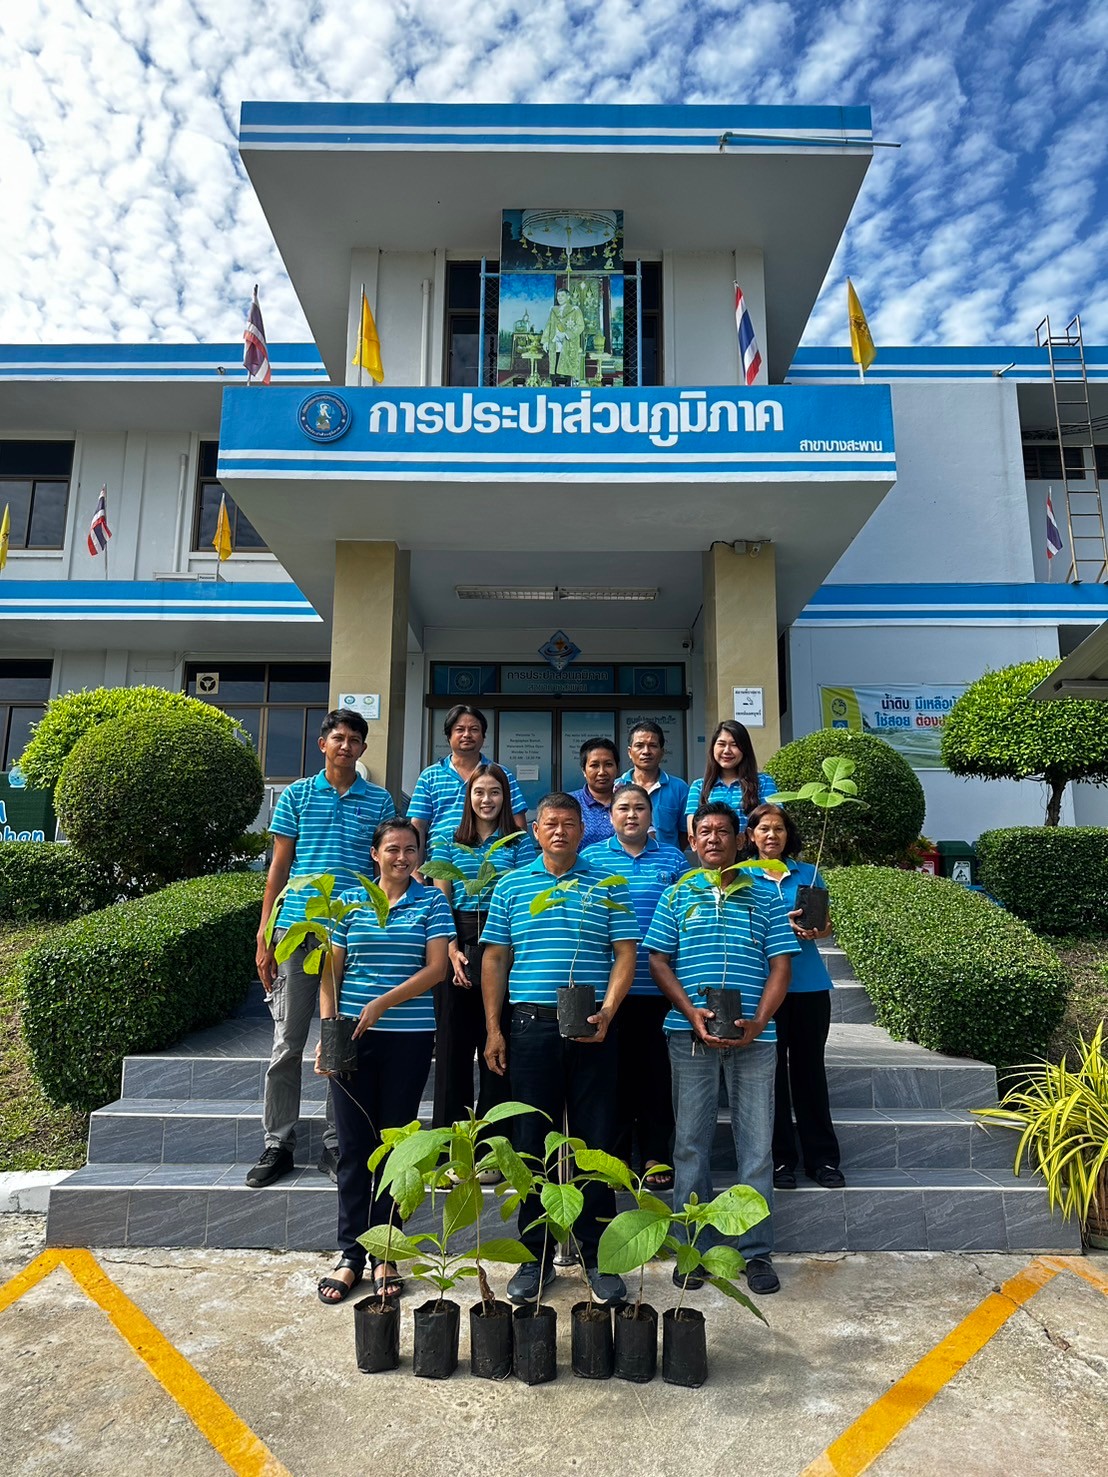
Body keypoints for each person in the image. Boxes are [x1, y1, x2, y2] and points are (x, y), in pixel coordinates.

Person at [481, 792, 639, 1306]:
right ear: (536, 830)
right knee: (531, 1143)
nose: (560, 831)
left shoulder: (606, 884)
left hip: (592, 1025)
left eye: (570, 824)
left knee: (595, 1142)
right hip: (529, 1027)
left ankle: (599, 1256)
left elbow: (624, 955)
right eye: (550, 823)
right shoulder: (512, 884)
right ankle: (535, 1257)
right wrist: (493, 1028)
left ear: (582, 830)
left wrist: (610, 1012)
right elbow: (496, 959)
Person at [645, 801, 799, 1296]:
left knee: (756, 1149)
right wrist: (691, 1011)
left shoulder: (766, 897)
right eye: (703, 832)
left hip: (757, 1040)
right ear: (692, 842)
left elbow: (781, 966)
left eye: (722, 832)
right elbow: (658, 960)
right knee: (690, 1145)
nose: (712, 839)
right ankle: (692, 1247)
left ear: (740, 840)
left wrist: (760, 1021)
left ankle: (755, 1252)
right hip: (687, 1037)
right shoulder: (677, 894)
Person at [248, 709, 393, 1190]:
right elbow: (279, 868)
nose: (347, 746)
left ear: (363, 749)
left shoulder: (379, 800)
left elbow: (383, 870)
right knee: (287, 1043)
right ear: (322, 744)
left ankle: (338, 1144)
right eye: (339, 738)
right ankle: (278, 1143)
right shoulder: (296, 796)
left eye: (355, 740)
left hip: (350, 933)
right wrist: (265, 932)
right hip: (297, 930)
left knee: (342, 1039)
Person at [314, 818, 454, 1304]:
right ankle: (352, 1253)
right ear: (375, 854)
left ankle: (387, 1250)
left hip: (409, 1038)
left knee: (397, 1149)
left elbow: (436, 968)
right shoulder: (349, 901)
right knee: (354, 1148)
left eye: (410, 850)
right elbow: (330, 970)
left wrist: (381, 1004)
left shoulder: (432, 902)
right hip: (351, 1038)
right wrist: (329, 1032)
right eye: (392, 849)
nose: (401, 857)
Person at [582, 784, 686, 1188]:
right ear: (610, 816)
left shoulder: (674, 859)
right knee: (613, 1078)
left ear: (651, 815)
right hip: (610, 993)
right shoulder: (590, 859)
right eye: (622, 808)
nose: (631, 815)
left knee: (657, 1078)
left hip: (659, 991)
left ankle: (657, 1155)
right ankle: (617, 1158)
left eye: (639, 808)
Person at [427, 763, 536, 1140]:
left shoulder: (519, 842)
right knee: (453, 1051)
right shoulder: (446, 839)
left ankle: (495, 1144)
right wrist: (451, 950)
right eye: (479, 792)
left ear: (505, 798)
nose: (486, 800)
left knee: (499, 1045)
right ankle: (450, 1145)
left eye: (494, 792)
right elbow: (440, 897)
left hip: (503, 946)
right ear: (467, 797)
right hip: (457, 943)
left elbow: (524, 898)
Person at [743, 802, 844, 1191]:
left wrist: (821, 930)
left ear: (789, 836)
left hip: (808, 986)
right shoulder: (741, 877)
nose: (772, 836)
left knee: (809, 1073)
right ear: (751, 835)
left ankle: (823, 1159)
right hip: (762, 988)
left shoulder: (809, 873)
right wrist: (775, 926)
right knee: (769, 1078)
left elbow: (824, 922)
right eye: (764, 829)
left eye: (779, 829)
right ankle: (780, 1160)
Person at [407, 704, 527, 860]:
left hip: (492, 861)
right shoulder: (430, 776)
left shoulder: (501, 774)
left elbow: (518, 823)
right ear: (448, 736)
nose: (467, 735)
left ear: (483, 737)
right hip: (440, 862)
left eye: (474, 729)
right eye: (460, 729)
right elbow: (418, 826)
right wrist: (416, 870)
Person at [684, 719, 777, 844]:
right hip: (715, 855)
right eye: (721, 744)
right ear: (713, 748)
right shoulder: (699, 786)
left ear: (745, 749)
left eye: (734, 745)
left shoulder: (764, 782)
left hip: (753, 858)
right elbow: (693, 830)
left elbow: (774, 821)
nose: (727, 750)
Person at [618, 719, 690, 851]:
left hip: (666, 865)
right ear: (629, 752)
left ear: (662, 752)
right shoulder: (617, 787)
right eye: (639, 745)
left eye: (652, 745)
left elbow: (685, 833)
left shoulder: (679, 788)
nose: (646, 751)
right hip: (623, 864)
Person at [570, 736, 619, 848]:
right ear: (584, 770)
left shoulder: (630, 801)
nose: (602, 772)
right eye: (594, 765)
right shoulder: (569, 803)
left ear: (617, 767)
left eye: (608, 764)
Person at [541, 286, 586, 384]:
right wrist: (545, 341)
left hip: (568, 344)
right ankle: (554, 391)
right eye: (558, 296)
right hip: (554, 343)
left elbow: (580, 326)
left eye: (562, 295)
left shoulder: (575, 310)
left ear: (568, 297)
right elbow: (548, 326)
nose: (560, 298)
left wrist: (566, 334)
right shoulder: (553, 310)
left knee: (567, 369)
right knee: (554, 369)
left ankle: (567, 392)